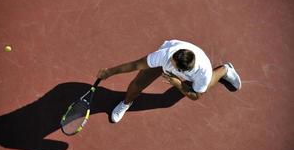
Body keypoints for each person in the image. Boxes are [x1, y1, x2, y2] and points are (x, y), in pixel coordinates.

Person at [97, 39, 241, 123]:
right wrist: (110, 72)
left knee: (168, 100)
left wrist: (177, 83)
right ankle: (126, 102)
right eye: (171, 58)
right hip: (175, 68)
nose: (169, 60)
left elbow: (196, 96)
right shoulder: (166, 55)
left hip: (191, 77)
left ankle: (224, 70)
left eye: (172, 63)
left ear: (181, 70)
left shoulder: (202, 73)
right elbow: (136, 65)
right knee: (138, 83)